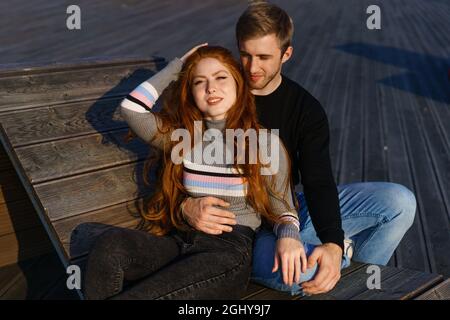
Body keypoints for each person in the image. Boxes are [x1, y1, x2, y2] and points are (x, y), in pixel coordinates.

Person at [167, 3, 417, 296]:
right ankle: (340, 271)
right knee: (305, 273)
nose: (252, 67)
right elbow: (172, 162)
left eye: (263, 57)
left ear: (287, 54)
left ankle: (338, 262)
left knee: (400, 202)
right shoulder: (215, 94)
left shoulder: (305, 109)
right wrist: (185, 206)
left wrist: (333, 244)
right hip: (244, 230)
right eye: (245, 55)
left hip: (288, 209)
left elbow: (318, 181)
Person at [83, 46, 310, 299]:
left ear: (238, 83)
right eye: (199, 82)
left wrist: (289, 236)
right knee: (111, 245)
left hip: (226, 254)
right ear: (191, 93)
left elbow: (283, 207)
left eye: (220, 77)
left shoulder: (264, 142)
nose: (210, 87)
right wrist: (179, 66)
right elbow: (132, 109)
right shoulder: (182, 138)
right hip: (178, 243)